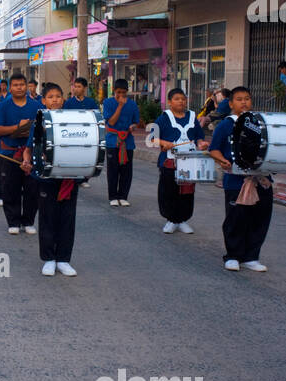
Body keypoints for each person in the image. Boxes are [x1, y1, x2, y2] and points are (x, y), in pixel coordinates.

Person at [209, 85, 273, 272]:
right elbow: (214, 149)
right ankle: (233, 256)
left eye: (247, 98)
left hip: (261, 179)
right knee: (236, 219)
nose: (244, 102)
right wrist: (222, 161)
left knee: (259, 219)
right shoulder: (226, 125)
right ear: (230, 103)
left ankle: (251, 257)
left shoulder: (261, 123)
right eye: (239, 99)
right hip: (236, 181)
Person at [22, 82, 81, 276]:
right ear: (44, 100)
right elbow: (29, 148)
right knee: (48, 218)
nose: (55, 99)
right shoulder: (39, 121)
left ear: (63, 98)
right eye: (51, 97)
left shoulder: (73, 119)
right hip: (46, 177)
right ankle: (49, 259)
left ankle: (64, 259)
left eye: (58, 96)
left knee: (67, 218)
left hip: (68, 176)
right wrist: (26, 161)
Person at [153, 88, 207, 234]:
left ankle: (182, 220)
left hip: (189, 161)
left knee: (187, 192)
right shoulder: (164, 118)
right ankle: (171, 220)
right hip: (169, 162)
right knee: (169, 191)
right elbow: (153, 138)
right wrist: (164, 142)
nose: (181, 101)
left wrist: (201, 144)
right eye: (177, 99)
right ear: (170, 102)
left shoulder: (191, 117)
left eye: (183, 98)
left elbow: (199, 137)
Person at [0, 71, 40, 234]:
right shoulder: (3, 106)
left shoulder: (36, 106)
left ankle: (28, 221)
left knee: (32, 188)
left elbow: (43, 127)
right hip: (9, 152)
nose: (19, 88)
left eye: (22, 84)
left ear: (27, 86)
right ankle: (13, 221)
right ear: (10, 87)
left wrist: (31, 130)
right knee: (10, 187)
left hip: (32, 152)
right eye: (15, 85)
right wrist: (18, 127)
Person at [102, 78, 140, 206]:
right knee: (113, 169)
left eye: (124, 93)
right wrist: (120, 106)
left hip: (127, 140)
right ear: (114, 91)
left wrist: (133, 126)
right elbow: (111, 122)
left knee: (126, 169)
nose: (121, 95)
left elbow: (136, 121)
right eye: (118, 92)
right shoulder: (108, 102)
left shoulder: (133, 104)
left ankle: (123, 195)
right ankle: (113, 196)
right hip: (113, 139)